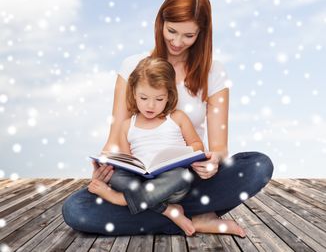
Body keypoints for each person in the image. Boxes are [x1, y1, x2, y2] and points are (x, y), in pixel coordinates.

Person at [62, 0, 274, 236]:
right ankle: (191, 216)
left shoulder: (214, 73)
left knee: (258, 165)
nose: (176, 42)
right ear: (160, 22)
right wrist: (104, 167)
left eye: (188, 35)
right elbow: (115, 140)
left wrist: (213, 162)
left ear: (202, 34)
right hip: (137, 181)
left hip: (188, 180)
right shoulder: (132, 67)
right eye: (171, 30)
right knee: (75, 210)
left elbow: (219, 149)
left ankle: (160, 212)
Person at [87, 57, 245, 237]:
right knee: (117, 177)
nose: (151, 105)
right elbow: (127, 161)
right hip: (143, 184)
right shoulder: (126, 126)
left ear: (169, 95)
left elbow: (197, 145)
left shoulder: (177, 118)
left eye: (159, 98)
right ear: (133, 93)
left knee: (182, 175)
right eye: (144, 98)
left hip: (171, 183)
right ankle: (168, 211)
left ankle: (121, 200)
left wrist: (183, 155)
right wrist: (107, 167)